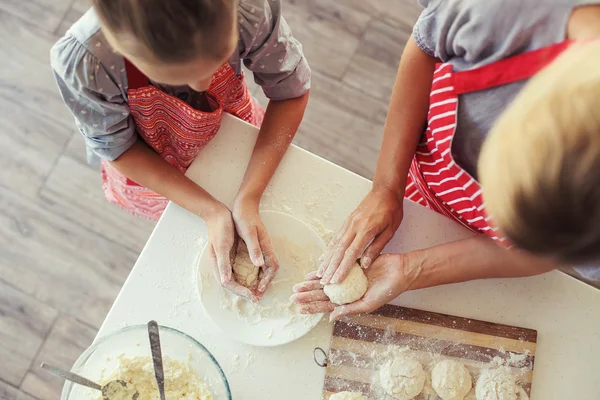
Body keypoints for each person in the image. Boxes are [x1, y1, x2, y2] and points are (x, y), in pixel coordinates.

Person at [292, 1, 600, 320]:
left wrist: (413, 269)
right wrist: (386, 187)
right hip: (422, 183)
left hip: (487, 255)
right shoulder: (503, 15)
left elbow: (543, 252)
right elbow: (425, 45)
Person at [51, 0, 311, 301]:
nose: (202, 85)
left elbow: (290, 93)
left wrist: (249, 196)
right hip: (153, 163)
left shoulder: (248, 8)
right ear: (124, 48)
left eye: (218, 62)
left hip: (232, 134)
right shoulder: (90, 63)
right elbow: (120, 150)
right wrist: (210, 211)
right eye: (178, 76)